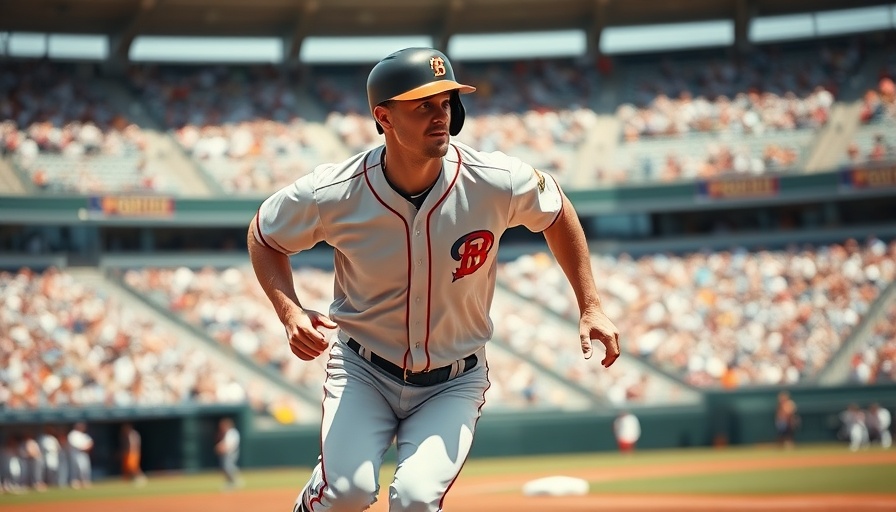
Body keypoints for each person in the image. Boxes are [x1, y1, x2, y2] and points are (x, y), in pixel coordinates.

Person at [248, 46, 621, 512]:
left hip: (454, 380)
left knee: (416, 500)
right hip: (364, 369)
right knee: (347, 492)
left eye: (446, 103)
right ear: (383, 117)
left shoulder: (495, 179)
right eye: (422, 105)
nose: (440, 115)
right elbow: (263, 235)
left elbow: (557, 209)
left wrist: (590, 304)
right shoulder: (335, 192)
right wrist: (289, 311)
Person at [214, 418, 242, 490]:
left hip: (231, 452)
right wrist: (220, 446)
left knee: (228, 467)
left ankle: (235, 481)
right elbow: (224, 443)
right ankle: (230, 482)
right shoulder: (225, 433)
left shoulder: (232, 432)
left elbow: (232, 444)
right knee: (226, 468)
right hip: (226, 453)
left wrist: (223, 448)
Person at [66, 422, 93, 489]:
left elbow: (90, 442)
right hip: (76, 454)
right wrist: (83, 448)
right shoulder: (73, 434)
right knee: (76, 468)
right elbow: (75, 445)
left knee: (85, 468)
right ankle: (75, 482)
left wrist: (87, 447)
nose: (82, 427)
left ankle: (85, 481)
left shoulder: (84, 435)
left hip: (84, 454)